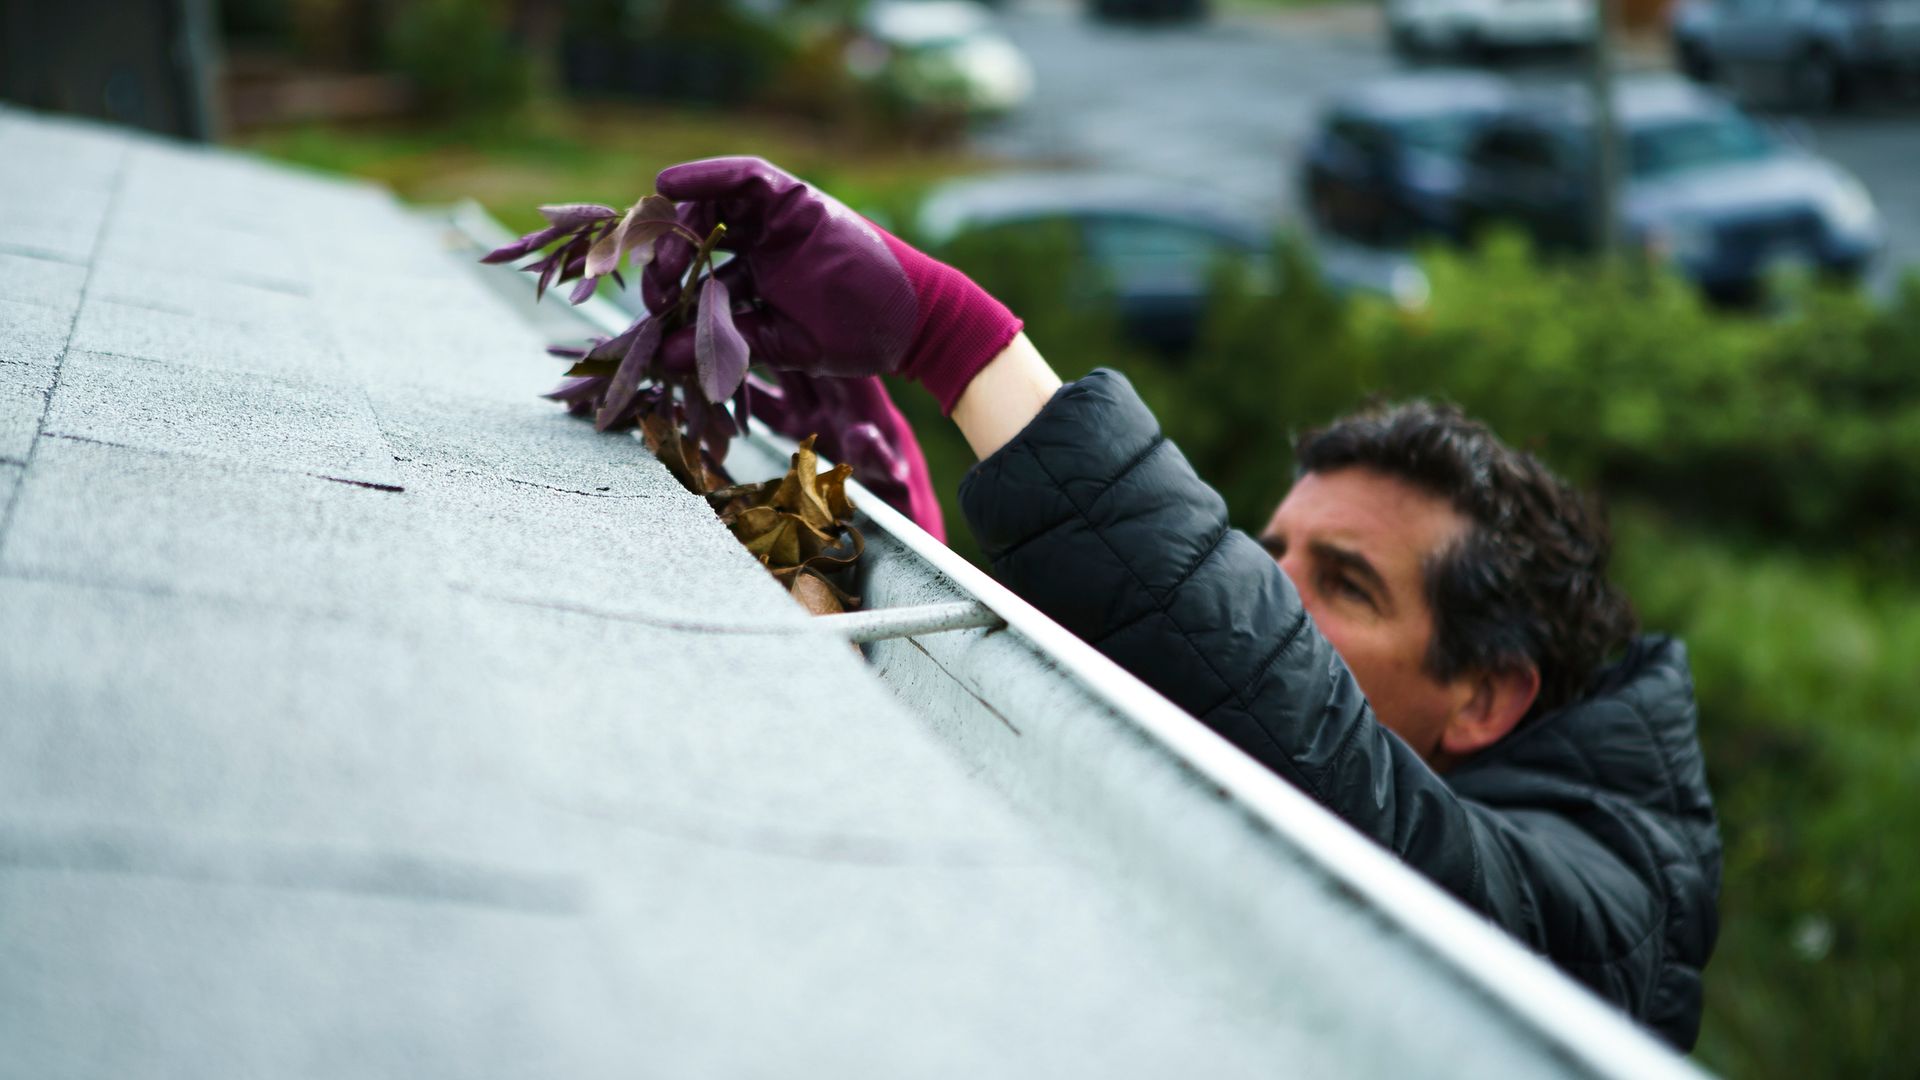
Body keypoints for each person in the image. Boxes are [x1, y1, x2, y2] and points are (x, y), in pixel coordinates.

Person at [643, 157, 1722, 1050]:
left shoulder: (1603, 911)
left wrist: (956, 342)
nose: (1274, 599)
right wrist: (905, 557)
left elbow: (1315, 753)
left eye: (1344, 584)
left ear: (1484, 699)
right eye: (1269, 554)